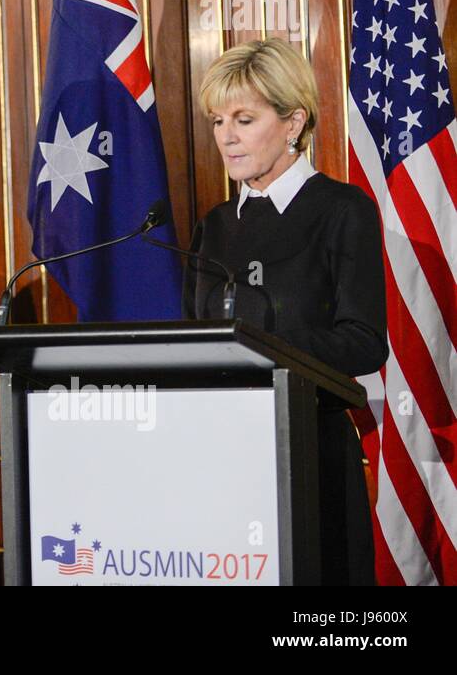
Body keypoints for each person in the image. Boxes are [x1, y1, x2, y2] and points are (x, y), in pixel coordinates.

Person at [186, 39, 386, 585]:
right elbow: (196, 339)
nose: (226, 136)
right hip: (224, 457)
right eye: (218, 120)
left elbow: (364, 341)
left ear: (293, 122)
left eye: (244, 119)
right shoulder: (217, 224)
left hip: (308, 453)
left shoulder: (342, 210)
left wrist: (266, 349)